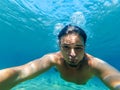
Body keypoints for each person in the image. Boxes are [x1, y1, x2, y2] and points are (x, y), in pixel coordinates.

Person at [0, 25, 120, 90]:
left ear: (85, 47)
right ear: (59, 46)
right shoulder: (53, 59)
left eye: (78, 48)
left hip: (82, 82)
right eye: (66, 47)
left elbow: (114, 79)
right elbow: (19, 73)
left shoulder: (93, 64)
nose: (72, 54)